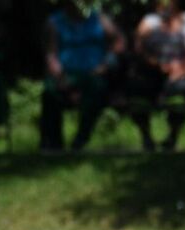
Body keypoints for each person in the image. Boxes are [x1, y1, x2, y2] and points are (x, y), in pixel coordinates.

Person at [122, 0, 185, 152]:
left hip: (183, 72)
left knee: (179, 95)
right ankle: (146, 137)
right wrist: (156, 63)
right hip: (153, 71)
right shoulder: (149, 22)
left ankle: (172, 137)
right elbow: (138, 48)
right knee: (138, 92)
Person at [40, 3, 124, 152]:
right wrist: (60, 78)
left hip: (94, 75)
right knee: (49, 92)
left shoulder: (99, 19)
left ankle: (80, 140)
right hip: (66, 74)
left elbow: (119, 42)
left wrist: (106, 64)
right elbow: (51, 54)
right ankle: (53, 145)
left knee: (98, 90)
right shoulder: (55, 22)